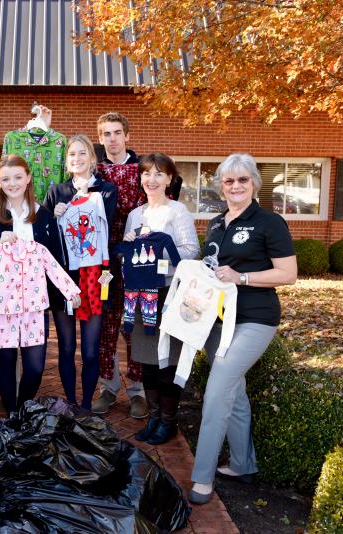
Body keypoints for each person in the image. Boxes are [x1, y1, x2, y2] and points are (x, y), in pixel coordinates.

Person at [188, 153, 297, 504]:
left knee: (218, 390)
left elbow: (288, 274)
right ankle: (242, 464)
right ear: (221, 187)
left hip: (255, 320)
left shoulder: (269, 222)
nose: (235, 186)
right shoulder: (217, 224)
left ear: (254, 184)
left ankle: (202, 478)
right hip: (217, 321)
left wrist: (243, 277)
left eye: (242, 180)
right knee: (234, 393)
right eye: (229, 181)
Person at [0, 154, 81, 414]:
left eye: (17, 177)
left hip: (35, 304)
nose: (12, 184)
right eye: (6, 179)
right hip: (3, 305)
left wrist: (66, 294)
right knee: (6, 360)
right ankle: (12, 412)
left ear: (28, 178)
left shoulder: (42, 216)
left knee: (35, 366)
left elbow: (53, 258)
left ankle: (23, 408)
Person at [118, 153, 200, 445]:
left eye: (158, 174)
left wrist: (154, 255)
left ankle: (169, 421)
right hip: (141, 296)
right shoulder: (135, 216)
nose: (151, 180)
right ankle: (153, 418)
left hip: (168, 293)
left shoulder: (177, 212)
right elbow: (128, 261)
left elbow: (190, 251)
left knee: (167, 360)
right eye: (146, 174)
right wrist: (130, 249)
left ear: (169, 179)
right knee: (147, 361)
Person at [43, 134, 117, 410]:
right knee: (65, 347)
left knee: (89, 349)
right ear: (67, 161)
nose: (77, 158)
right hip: (65, 279)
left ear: (92, 159)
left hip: (94, 279)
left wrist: (83, 197)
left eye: (82, 153)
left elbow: (105, 223)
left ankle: (86, 404)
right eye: (72, 154)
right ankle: (71, 401)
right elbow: (47, 236)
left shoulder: (106, 190)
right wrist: (54, 214)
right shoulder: (56, 192)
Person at [93, 111, 147, 418]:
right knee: (107, 325)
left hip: (136, 260)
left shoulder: (144, 171)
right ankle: (109, 386)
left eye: (117, 133)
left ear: (126, 135)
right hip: (102, 263)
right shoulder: (94, 172)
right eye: (106, 134)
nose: (112, 139)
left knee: (136, 323)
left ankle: (137, 390)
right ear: (100, 139)